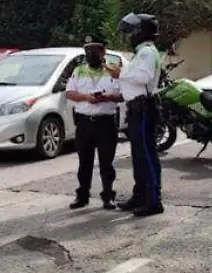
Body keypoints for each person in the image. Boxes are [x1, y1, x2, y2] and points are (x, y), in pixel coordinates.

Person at [109, 12, 164, 217]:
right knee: (139, 156)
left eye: (132, 31)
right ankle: (140, 195)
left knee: (147, 156)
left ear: (141, 32)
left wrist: (120, 73)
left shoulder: (147, 52)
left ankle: (153, 201)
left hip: (144, 108)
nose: (129, 35)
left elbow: (144, 77)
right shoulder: (142, 52)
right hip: (136, 108)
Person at [65, 35, 122, 210]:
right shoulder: (79, 70)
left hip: (106, 123)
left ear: (103, 51)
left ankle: (108, 196)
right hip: (84, 123)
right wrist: (86, 97)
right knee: (84, 162)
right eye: (87, 50)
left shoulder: (114, 70)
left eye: (94, 50)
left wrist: (106, 97)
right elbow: (69, 93)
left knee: (107, 162)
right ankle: (82, 196)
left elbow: (123, 94)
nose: (91, 53)